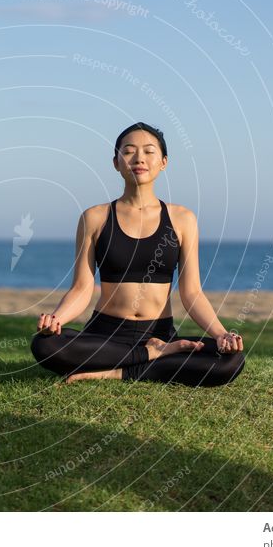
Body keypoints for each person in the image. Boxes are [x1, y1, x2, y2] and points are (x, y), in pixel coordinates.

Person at [30, 122, 245, 386]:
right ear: (116, 162)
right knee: (44, 345)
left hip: (160, 332)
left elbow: (192, 293)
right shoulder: (95, 218)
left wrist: (221, 334)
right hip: (105, 334)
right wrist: (56, 320)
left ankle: (120, 370)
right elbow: (82, 289)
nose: (139, 158)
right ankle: (151, 357)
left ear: (163, 162)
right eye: (129, 151)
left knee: (231, 360)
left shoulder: (182, 219)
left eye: (149, 151)